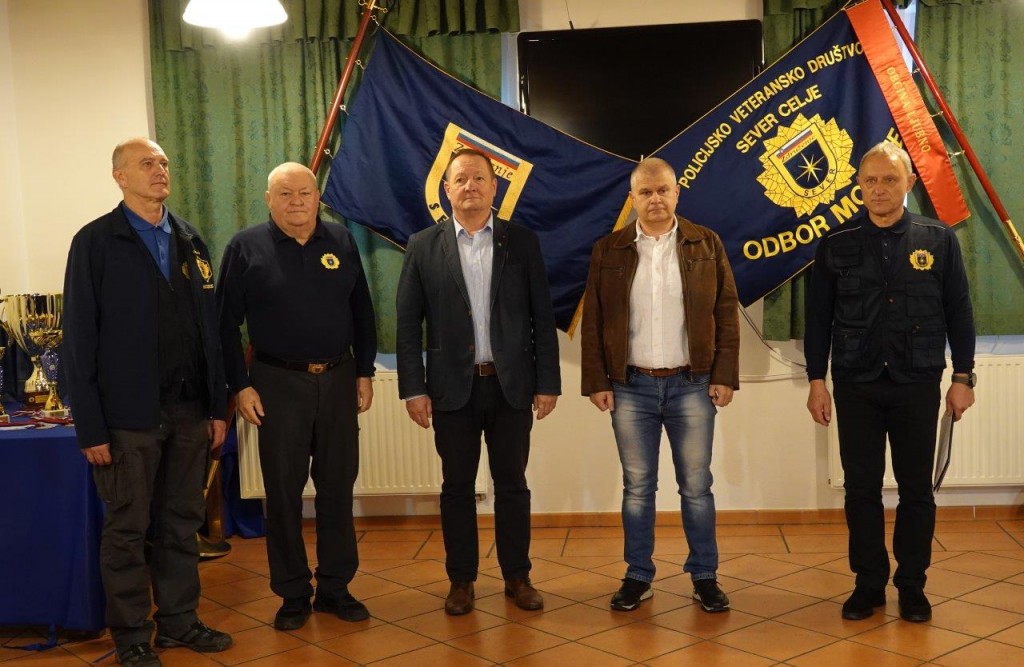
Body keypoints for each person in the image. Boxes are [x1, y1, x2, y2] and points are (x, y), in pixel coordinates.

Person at [63, 138, 233, 666]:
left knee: (181, 523)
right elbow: (79, 340)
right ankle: (132, 634)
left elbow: (211, 332)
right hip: (126, 418)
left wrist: (217, 407)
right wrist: (90, 427)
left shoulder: (190, 239)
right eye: (146, 164)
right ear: (119, 176)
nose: (160, 170)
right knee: (128, 529)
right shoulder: (95, 242)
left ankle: (179, 621)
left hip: (189, 411)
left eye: (163, 162)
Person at [805, 141, 976, 623]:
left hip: (915, 382)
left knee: (916, 489)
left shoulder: (938, 239)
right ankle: (868, 584)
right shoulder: (837, 242)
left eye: (889, 180)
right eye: (870, 181)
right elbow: (818, 319)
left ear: (909, 183)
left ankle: (912, 585)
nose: (878, 189)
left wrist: (963, 377)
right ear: (859, 186)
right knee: (861, 489)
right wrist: (816, 381)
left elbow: (960, 312)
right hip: (856, 382)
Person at [396, 147, 561, 616]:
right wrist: (414, 388)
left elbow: (541, 316)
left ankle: (517, 576)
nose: (470, 186)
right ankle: (461, 580)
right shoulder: (422, 245)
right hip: (451, 389)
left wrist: (547, 382)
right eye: (461, 180)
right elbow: (407, 325)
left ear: (494, 187)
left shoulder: (521, 242)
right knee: (456, 487)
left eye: (479, 179)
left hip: (511, 386)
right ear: (447, 189)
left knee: (512, 485)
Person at [217, 162, 377, 631]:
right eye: (285, 194)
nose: (296, 202)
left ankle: (335, 587)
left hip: (338, 380)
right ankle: (291, 593)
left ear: (317, 197)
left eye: (304, 192)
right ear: (269, 199)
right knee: (283, 492)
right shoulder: (245, 247)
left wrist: (364, 372)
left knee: (337, 488)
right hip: (276, 384)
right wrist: (240, 384)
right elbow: (224, 325)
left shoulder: (340, 240)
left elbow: (362, 311)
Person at [580, 157, 740, 614]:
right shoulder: (609, 250)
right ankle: (637, 575)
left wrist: (724, 375)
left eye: (663, 190)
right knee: (637, 487)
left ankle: (705, 576)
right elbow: (594, 320)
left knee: (696, 486)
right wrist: (597, 381)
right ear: (632, 198)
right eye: (645, 192)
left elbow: (726, 311)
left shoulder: (705, 243)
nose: (655, 199)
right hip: (630, 386)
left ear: (676, 193)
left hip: (693, 384)